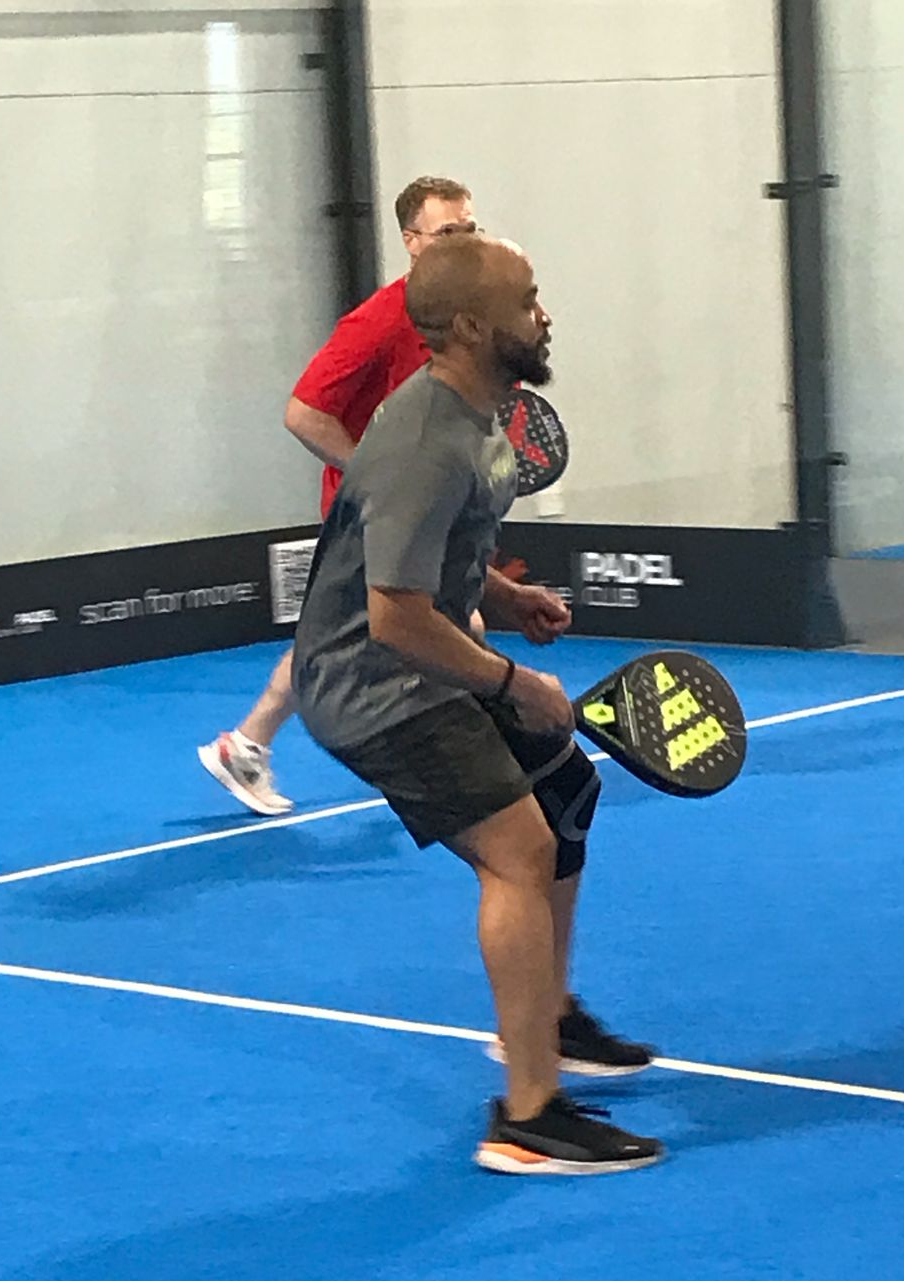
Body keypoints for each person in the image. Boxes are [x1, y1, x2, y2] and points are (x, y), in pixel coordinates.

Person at [291, 233, 663, 1173]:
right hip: (372, 686)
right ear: (468, 327)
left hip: (422, 655)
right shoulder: (423, 440)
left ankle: (548, 1017)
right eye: (527, 301)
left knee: (567, 794)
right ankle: (528, 1118)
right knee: (520, 849)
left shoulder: (478, 413)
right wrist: (512, 682)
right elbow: (393, 616)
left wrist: (504, 595)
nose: (544, 315)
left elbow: (431, 559)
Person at [198, 175, 481, 816]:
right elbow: (303, 414)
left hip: (426, 510)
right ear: (411, 242)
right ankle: (249, 744)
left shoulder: (464, 319)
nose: (463, 242)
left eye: (470, 229)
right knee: (430, 630)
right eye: (447, 232)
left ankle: (247, 745)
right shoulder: (379, 319)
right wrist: (374, 477)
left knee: (434, 629)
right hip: (372, 515)